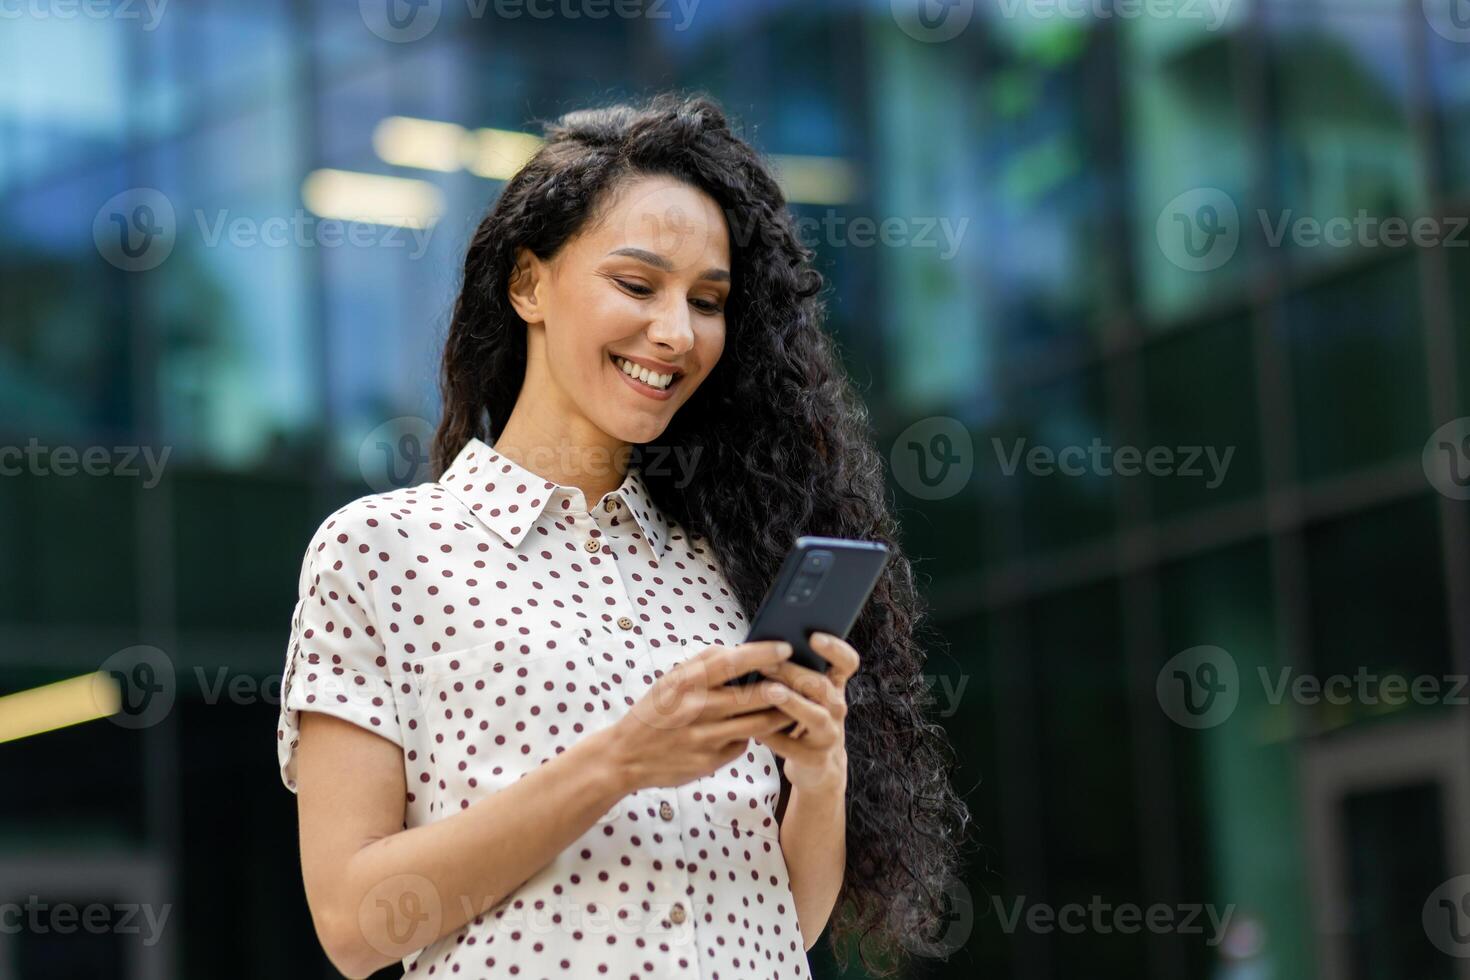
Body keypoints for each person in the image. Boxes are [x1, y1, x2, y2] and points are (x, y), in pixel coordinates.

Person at [275, 91, 969, 979]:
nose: (676, 333)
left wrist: (820, 771)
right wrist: (621, 761)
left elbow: (780, 928)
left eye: (708, 300)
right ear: (528, 283)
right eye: (637, 286)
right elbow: (353, 924)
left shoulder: (723, 562)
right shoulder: (385, 550)